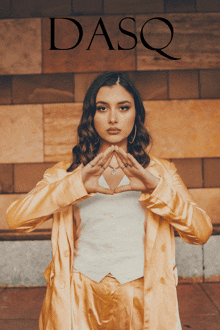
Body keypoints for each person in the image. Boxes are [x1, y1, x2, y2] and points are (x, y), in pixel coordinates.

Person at [6, 72, 212, 330]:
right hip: (79, 298)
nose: (113, 118)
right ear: (91, 116)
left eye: (123, 108)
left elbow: (201, 232)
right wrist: (75, 184)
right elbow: (16, 220)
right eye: (102, 108)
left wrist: (157, 189)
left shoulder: (160, 173)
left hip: (143, 299)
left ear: (136, 114)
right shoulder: (66, 173)